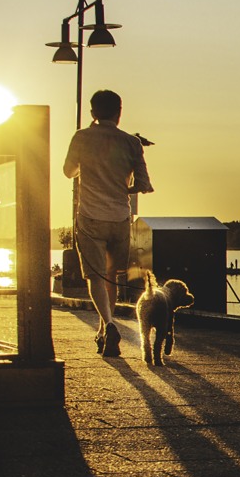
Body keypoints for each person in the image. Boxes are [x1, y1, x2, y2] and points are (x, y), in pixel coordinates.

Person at [63, 89, 154, 358]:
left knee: (95, 276)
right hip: (119, 218)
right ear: (119, 112)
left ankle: (109, 325)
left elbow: (69, 171)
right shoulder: (131, 143)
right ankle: (105, 330)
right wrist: (123, 187)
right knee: (111, 276)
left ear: (93, 113)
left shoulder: (82, 137)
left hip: (90, 217)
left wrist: (86, 167)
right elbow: (144, 185)